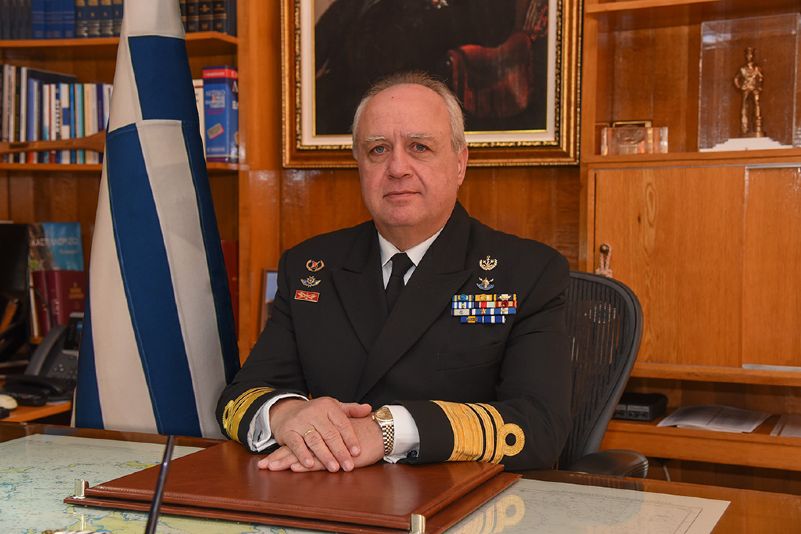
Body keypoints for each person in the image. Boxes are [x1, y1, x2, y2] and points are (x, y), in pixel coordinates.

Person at [216, 71, 571, 473]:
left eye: (420, 147)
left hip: (455, 496)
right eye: (378, 149)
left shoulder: (527, 273)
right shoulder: (310, 267)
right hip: (330, 492)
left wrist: (387, 431)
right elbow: (240, 396)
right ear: (360, 166)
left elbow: (540, 428)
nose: (397, 167)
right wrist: (287, 414)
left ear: (460, 163)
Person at [733, 47, 764, 137]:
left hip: (754, 89)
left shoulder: (756, 68)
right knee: (744, 107)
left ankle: (758, 126)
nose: (749, 57)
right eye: (748, 55)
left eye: (751, 55)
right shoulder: (742, 69)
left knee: (757, 104)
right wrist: (740, 87)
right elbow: (736, 79)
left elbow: (761, 78)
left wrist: (759, 87)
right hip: (746, 89)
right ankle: (744, 128)